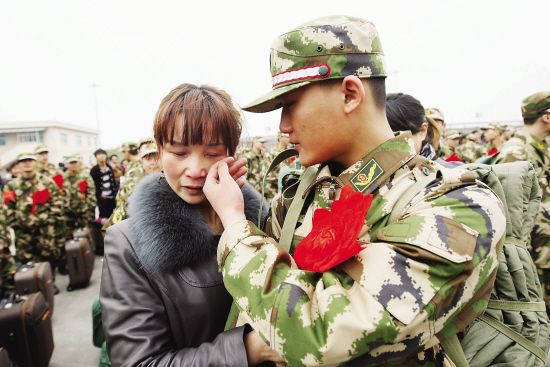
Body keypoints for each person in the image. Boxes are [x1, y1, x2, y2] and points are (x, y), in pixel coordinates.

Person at [203, 15, 506, 366]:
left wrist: (235, 225)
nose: (283, 126)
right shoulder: (302, 196)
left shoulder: (455, 206)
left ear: (350, 94)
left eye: (291, 104)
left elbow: (318, 336)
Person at [100, 83, 281, 367]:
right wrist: (247, 350)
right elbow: (138, 362)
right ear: (159, 153)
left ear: (230, 153)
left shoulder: (267, 223)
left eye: (212, 154)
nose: (195, 170)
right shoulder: (127, 244)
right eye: (179, 152)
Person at [494, 91, 550, 311]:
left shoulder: (540, 147)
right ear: (546, 116)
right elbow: (507, 208)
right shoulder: (516, 152)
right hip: (532, 251)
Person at [3, 153, 66, 274]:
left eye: (30, 160)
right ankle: (33, 286)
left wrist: (48, 221)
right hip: (23, 232)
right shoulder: (11, 186)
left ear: (35, 162)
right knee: (27, 261)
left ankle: (48, 283)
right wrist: (16, 223)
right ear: (18, 165)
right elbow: (8, 208)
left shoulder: (47, 182)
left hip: (45, 230)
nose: (27, 163)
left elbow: (57, 203)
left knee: (48, 257)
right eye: (23, 161)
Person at [385, 92, 460, 167]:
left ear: (423, 131)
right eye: (384, 138)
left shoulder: (449, 174)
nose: (391, 145)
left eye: (400, 135)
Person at [62, 154, 96, 235]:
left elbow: (91, 192)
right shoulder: (63, 178)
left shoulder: (85, 176)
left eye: (75, 162)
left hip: (84, 211)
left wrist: (87, 207)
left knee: (86, 234)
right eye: (71, 163)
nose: (74, 165)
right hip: (69, 213)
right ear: (66, 165)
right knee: (69, 235)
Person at [90, 149, 118, 220]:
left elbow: (113, 182)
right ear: (96, 157)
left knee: (114, 217)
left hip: (112, 197)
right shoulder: (94, 170)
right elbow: (92, 185)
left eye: (103, 154)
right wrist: (99, 195)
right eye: (99, 155)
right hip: (102, 199)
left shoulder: (109, 167)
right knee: (104, 218)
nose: (101, 156)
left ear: (106, 156)